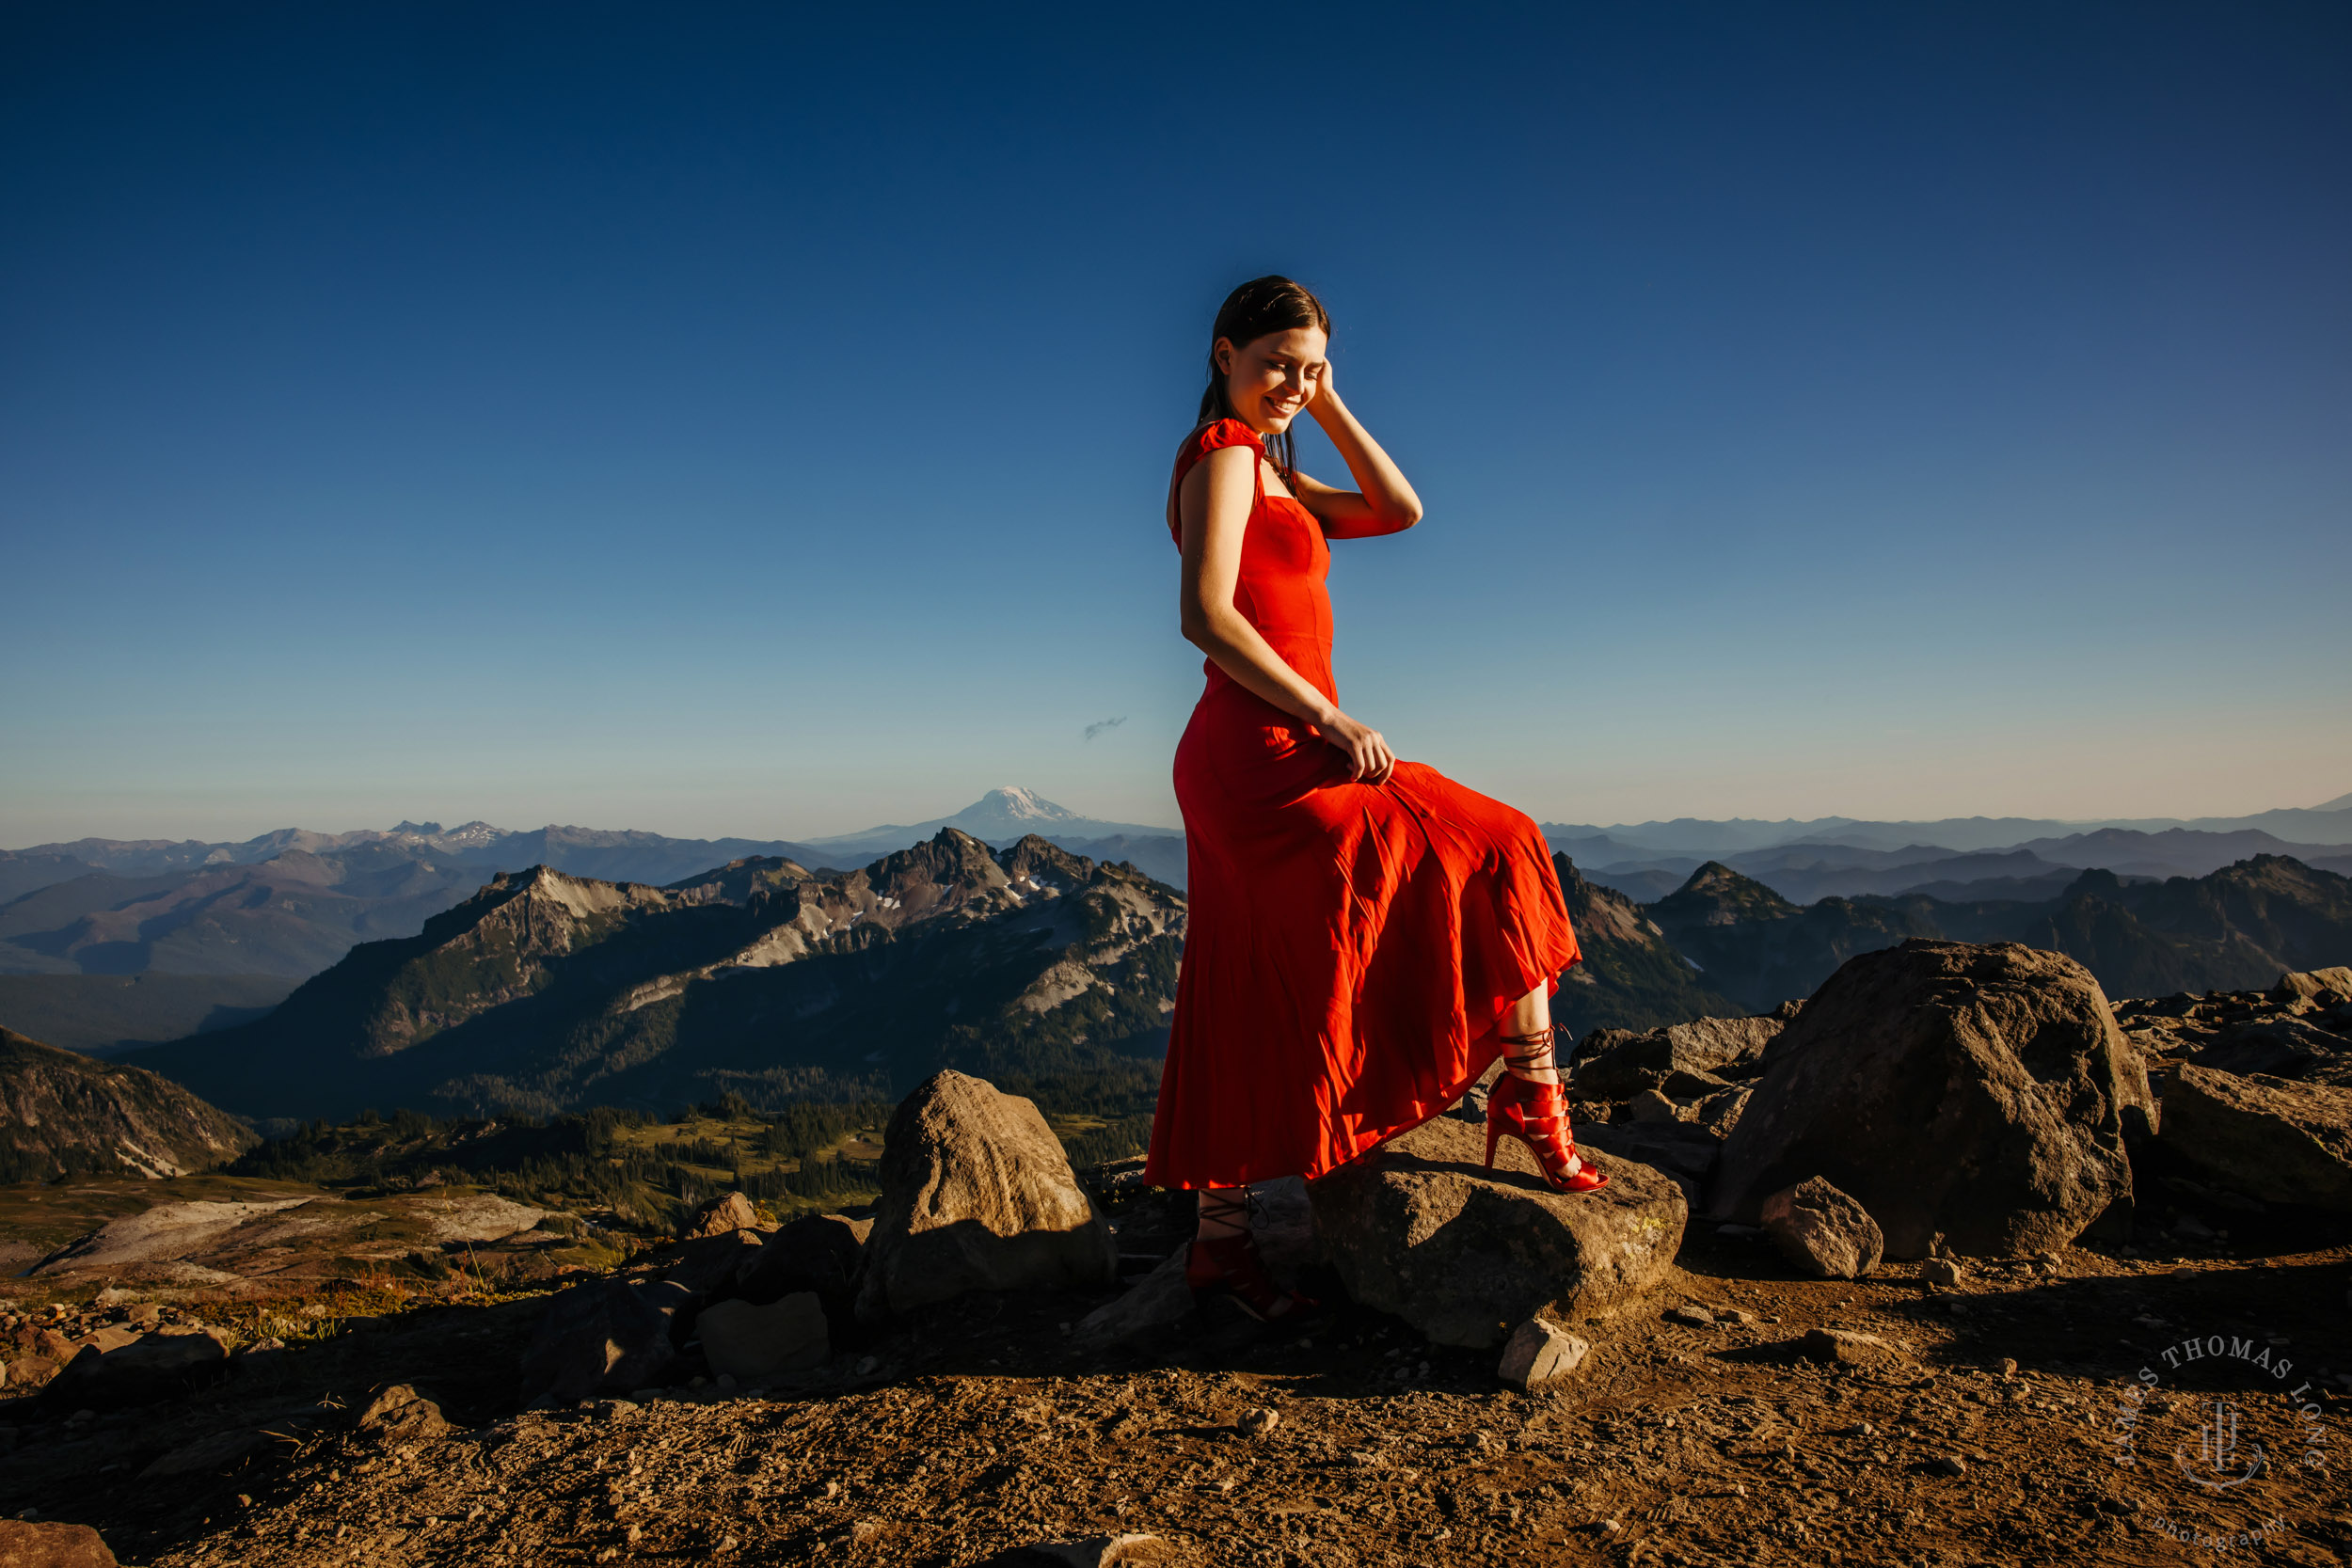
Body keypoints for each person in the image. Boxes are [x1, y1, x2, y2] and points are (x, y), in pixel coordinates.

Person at [1143, 276, 1606, 1323]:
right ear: (1222, 355)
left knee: (1251, 973)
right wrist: (1328, 717)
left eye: (1308, 369)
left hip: (1284, 745)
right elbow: (1205, 616)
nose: (1291, 386)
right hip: (1261, 755)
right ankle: (1532, 1091)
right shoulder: (1222, 454)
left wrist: (1328, 400)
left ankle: (1221, 1242)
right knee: (1493, 842)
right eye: (1275, 365)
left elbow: (1401, 510)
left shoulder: (1273, 469)